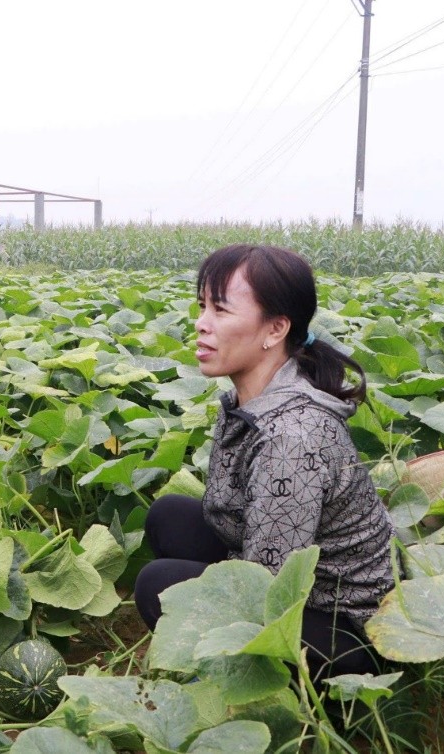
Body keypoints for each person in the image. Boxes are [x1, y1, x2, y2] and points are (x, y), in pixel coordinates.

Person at [134, 244, 393, 682]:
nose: (201, 323)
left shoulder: (292, 438)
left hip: (347, 630)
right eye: (202, 306)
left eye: (220, 310)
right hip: (300, 579)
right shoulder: (253, 399)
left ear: (275, 329)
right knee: (168, 515)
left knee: (157, 585)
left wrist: (214, 600)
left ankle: (263, 687)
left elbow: (269, 587)